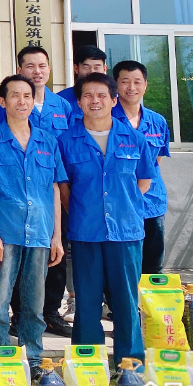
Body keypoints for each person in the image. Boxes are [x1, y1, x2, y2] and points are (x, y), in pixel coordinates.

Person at [60, 72, 153, 364]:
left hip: (126, 232)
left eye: (102, 95)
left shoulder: (134, 139)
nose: (95, 101)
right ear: (78, 102)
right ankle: (88, 364)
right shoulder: (66, 141)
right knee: (87, 301)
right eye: (87, 95)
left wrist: (123, 206)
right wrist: (85, 210)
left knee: (126, 300)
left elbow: (144, 181)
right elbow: (63, 188)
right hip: (85, 231)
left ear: (114, 100)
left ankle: (130, 363)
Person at [0, 75, 66, 369]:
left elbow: (54, 190)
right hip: (6, 231)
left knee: (35, 303)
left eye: (27, 95)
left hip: (40, 232)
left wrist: (57, 236)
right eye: (14, 95)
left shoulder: (48, 141)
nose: (21, 101)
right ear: (2, 101)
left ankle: (34, 360)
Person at [0, 44, 75, 336]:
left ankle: (42, 334)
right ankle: (8, 336)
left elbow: (59, 172)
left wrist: (58, 229)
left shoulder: (59, 114)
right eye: (30, 66)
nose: (37, 71)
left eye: (42, 65)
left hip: (45, 211)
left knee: (44, 280)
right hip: (9, 212)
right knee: (6, 282)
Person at [113, 61, 171, 274]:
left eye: (137, 82)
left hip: (152, 203)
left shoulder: (158, 121)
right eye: (125, 81)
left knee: (152, 265)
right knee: (122, 265)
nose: (131, 87)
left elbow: (157, 161)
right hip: (118, 204)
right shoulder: (106, 120)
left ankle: (150, 296)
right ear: (115, 85)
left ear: (145, 85)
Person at [59, 46, 109, 118]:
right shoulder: (61, 99)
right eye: (86, 67)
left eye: (97, 67)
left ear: (104, 69)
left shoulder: (113, 97)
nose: (92, 72)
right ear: (76, 68)